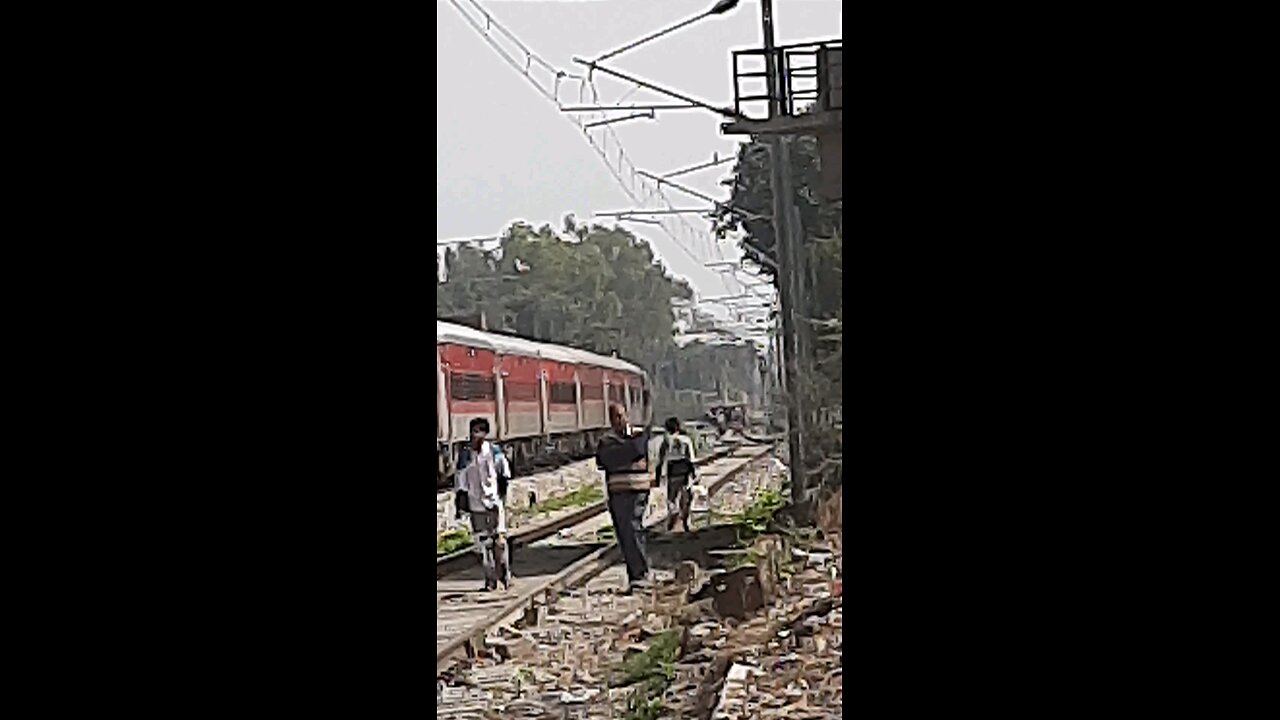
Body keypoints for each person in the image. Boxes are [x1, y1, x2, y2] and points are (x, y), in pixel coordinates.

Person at [596, 396, 654, 592]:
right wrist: (628, 453)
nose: (619, 420)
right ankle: (635, 574)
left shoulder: (638, 435)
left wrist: (624, 453)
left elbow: (636, 449)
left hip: (637, 490)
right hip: (617, 492)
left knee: (633, 527)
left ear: (627, 416)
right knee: (624, 533)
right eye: (614, 417)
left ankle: (641, 573)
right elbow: (606, 459)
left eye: (621, 416)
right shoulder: (606, 440)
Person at [454, 418, 512, 591]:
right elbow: (460, 482)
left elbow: (505, 475)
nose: (476, 435)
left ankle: (504, 573)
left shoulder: (495, 453)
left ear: (485, 434)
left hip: (494, 503)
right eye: (474, 431)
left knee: (499, 542)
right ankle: (490, 580)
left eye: (480, 431)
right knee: (482, 544)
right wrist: (460, 504)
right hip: (475, 504)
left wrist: (501, 498)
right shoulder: (465, 456)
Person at [657, 417, 698, 532]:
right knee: (686, 497)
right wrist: (694, 473)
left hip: (672, 471)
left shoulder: (666, 441)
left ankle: (673, 513)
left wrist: (658, 475)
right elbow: (691, 459)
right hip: (685, 470)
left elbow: (661, 460)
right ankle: (685, 520)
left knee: (672, 497)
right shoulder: (686, 440)